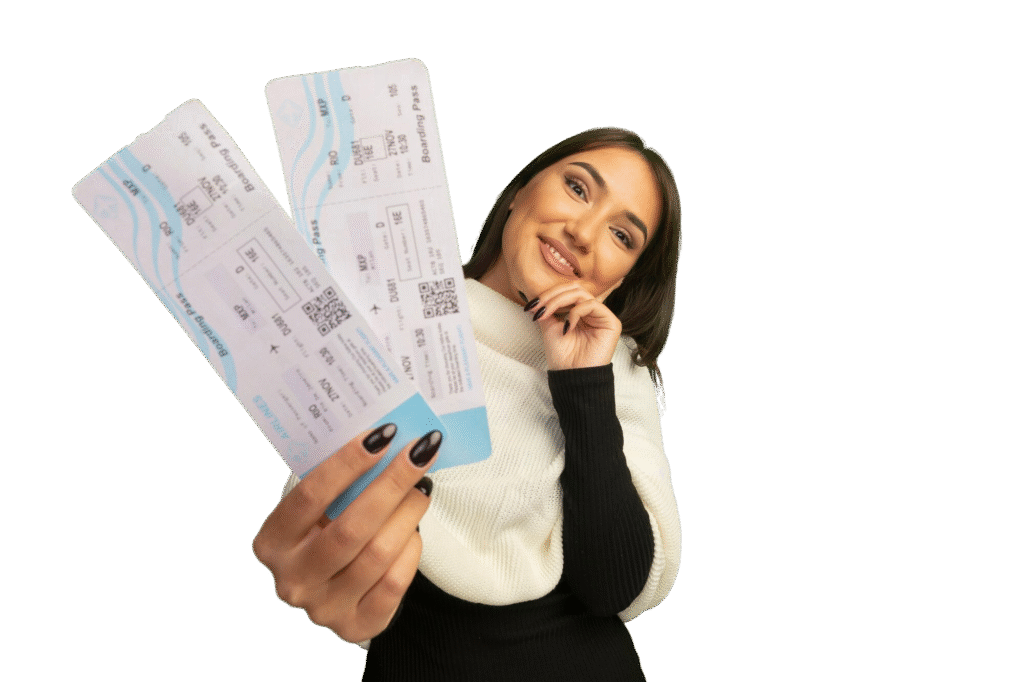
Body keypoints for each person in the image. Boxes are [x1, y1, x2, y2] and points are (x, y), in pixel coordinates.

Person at [252, 126, 683, 680]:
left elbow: (612, 587)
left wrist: (583, 385)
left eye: (622, 235)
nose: (582, 231)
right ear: (520, 191)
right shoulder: (387, 325)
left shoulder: (614, 372)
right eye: (578, 188)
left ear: (625, 277)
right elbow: (334, 544)